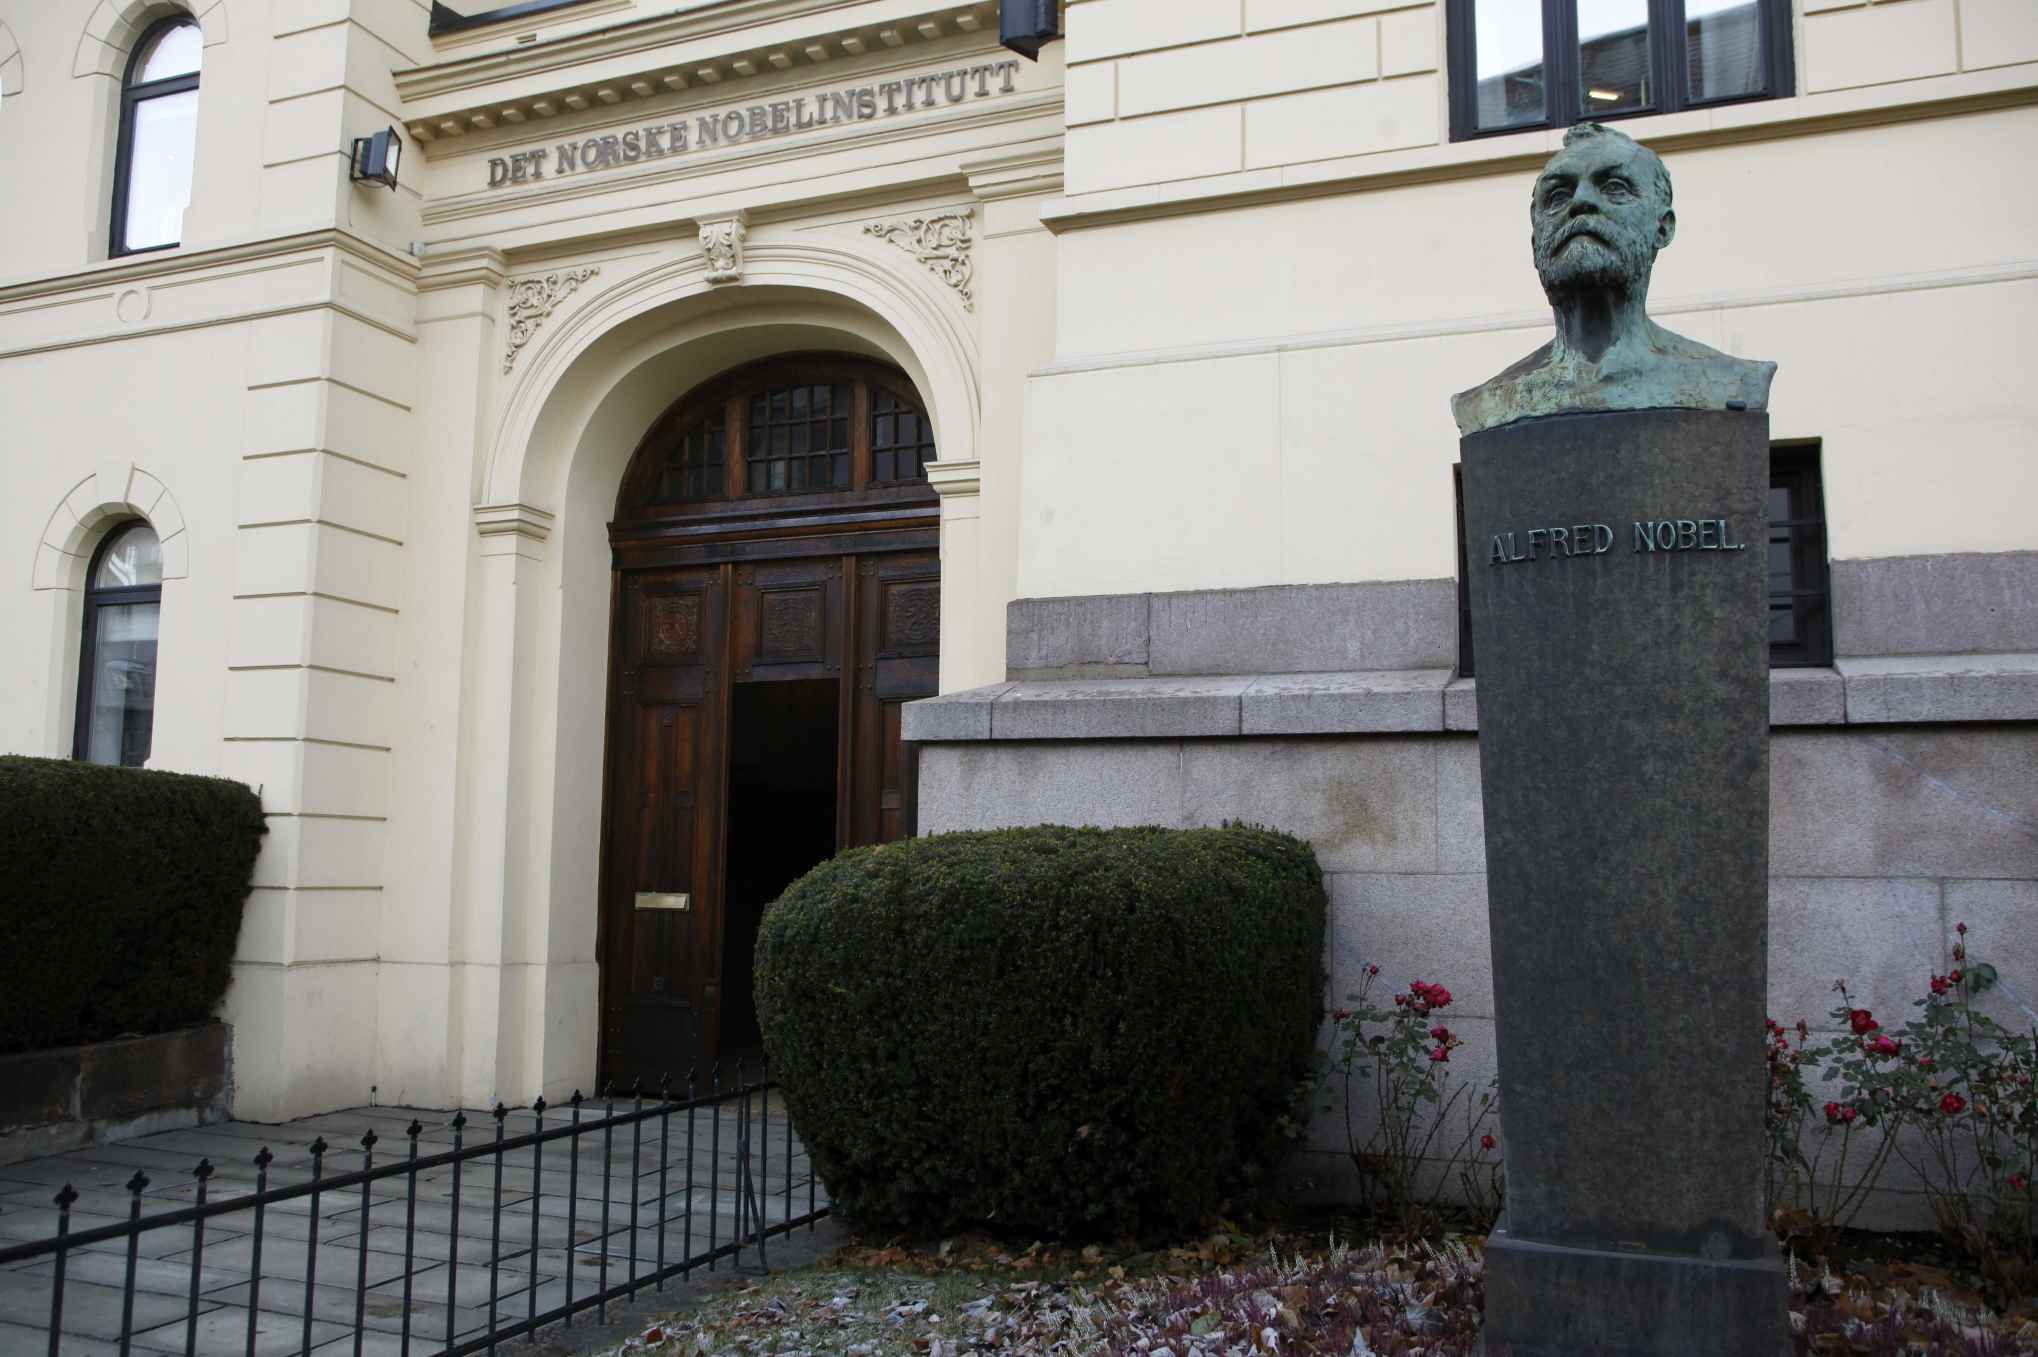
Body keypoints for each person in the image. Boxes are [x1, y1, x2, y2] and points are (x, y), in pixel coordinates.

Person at [1452, 122, 1774, 436]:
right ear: (1536, 242)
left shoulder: (1730, 383)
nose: (1581, 202)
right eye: (1558, 195)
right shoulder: (1488, 405)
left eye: (1615, 188)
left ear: (1662, 228)